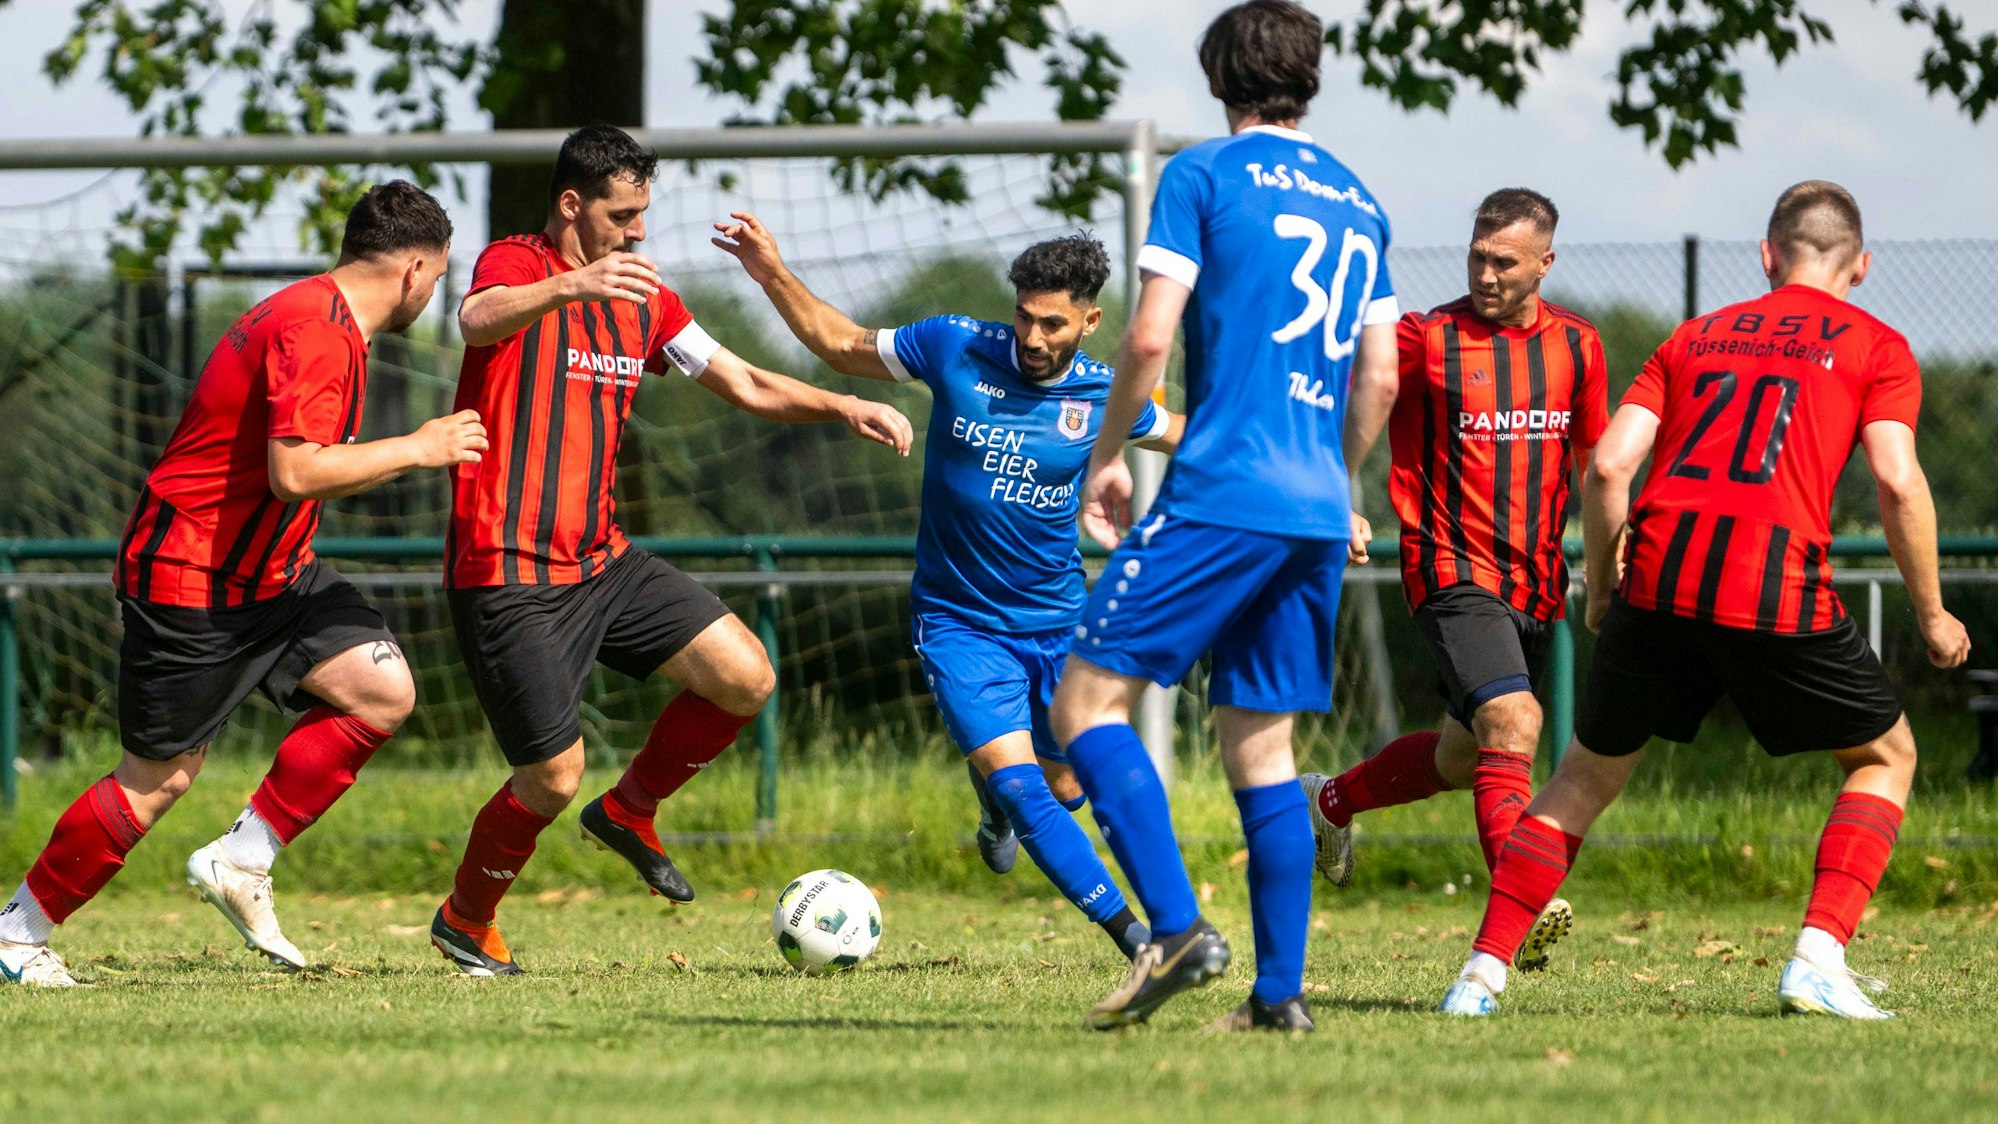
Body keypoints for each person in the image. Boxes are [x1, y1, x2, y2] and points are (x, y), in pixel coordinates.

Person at [1439, 181, 1972, 1019]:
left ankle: (1479, 977)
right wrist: (1935, 616)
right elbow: (1899, 481)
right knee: (1885, 757)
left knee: (1581, 776)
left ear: (1767, 255)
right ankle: (1818, 958)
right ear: (1860, 267)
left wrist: (1605, 590)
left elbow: (1610, 467)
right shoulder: (1879, 345)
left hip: (1658, 575)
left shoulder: (1695, 335)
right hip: (1773, 581)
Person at [430, 124, 913, 976]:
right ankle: (468, 919)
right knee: (549, 778)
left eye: (644, 214)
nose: (638, 232)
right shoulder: (517, 263)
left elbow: (745, 380)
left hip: (602, 561)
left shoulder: (643, 300)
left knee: (745, 676)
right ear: (572, 206)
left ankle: (632, 811)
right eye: (622, 215)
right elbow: (475, 321)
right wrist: (574, 284)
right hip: (507, 567)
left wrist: (843, 407)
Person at [0, 182, 481, 986]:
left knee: (380, 690)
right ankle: (18, 931)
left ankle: (240, 860)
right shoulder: (318, 331)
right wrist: (421, 447)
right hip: (195, 575)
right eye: (436, 280)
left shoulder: (315, 313)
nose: (433, 296)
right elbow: (294, 473)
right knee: (157, 782)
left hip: (275, 575)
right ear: (415, 270)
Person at [1046, 0, 1399, 1032]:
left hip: (1223, 488)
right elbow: (1378, 372)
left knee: (1085, 706)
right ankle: (1278, 998)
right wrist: (1340, 478)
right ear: (1311, 79)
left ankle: (1176, 927)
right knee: (1263, 745)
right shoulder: (1362, 199)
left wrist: (1108, 454)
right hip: (1316, 509)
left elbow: (1149, 339)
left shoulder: (1203, 173)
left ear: (1218, 79)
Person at [715, 216, 1184, 960]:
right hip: (958, 623)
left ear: (1090, 321)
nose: (1031, 339)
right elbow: (840, 343)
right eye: (1024, 318)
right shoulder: (955, 345)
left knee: (1067, 789)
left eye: (1053, 325)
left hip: (1060, 622)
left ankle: (993, 809)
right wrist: (770, 269)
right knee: (1031, 791)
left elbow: (1194, 438)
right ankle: (1141, 942)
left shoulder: (1106, 395)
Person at [1299, 188, 1609, 973]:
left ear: (1546, 261)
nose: (1487, 273)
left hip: (1537, 581)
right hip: (1448, 566)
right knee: (1515, 722)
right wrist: (1337, 494)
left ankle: (1328, 801)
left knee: (1459, 760)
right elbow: (1341, 399)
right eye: (1478, 256)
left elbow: (1598, 465)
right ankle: (1521, 905)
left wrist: (1614, 557)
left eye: (1505, 261)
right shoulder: (1424, 339)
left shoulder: (1579, 345)